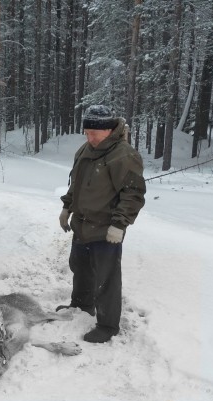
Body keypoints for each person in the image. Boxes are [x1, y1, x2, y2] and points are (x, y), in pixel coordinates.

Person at [58, 105, 146, 343]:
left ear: (108, 130)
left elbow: (133, 195)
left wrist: (119, 225)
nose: (90, 137)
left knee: (106, 278)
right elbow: (75, 183)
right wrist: (67, 207)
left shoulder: (123, 155)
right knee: (80, 267)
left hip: (107, 229)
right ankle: (81, 305)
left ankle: (108, 326)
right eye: (86, 132)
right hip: (82, 225)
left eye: (94, 133)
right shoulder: (85, 150)